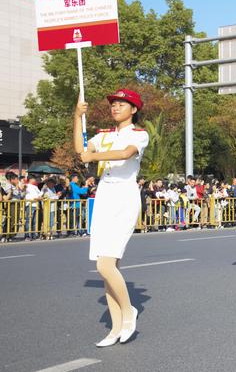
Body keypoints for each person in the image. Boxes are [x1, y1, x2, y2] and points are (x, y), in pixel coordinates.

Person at [74, 88, 149, 347]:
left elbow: (125, 153)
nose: (115, 107)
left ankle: (129, 311)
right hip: (104, 197)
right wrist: (76, 117)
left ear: (134, 109)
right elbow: (81, 149)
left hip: (124, 198)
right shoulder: (104, 135)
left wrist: (93, 156)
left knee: (104, 266)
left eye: (122, 104)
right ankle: (115, 328)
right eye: (113, 104)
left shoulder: (139, 134)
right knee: (108, 268)